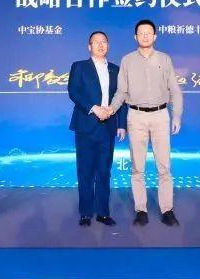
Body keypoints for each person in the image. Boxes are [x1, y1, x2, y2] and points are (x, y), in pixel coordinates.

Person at [96, 19, 183, 227]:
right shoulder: (127, 60)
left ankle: (167, 210)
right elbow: (121, 92)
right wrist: (111, 109)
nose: (145, 35)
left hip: (160, 115)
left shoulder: (165, 59)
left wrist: (177, 116)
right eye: (141, 33)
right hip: (136, 116)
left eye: (148, 32)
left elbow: (175, 89)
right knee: (137, 167)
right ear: (135, 37)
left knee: (164, 167)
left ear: (155, 36)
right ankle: (141, 210)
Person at [68, 31, 127, 226]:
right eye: (96, 42)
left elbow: (122, 97)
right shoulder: (79, 67)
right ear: (89, 46)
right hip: (86, 124)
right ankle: (85, 213)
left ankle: (103, 213)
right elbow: (74, 92)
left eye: (104, 42)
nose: (101, 45)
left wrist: (122, 124)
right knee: (85, 171)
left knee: (104, 171)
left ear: (108, 46)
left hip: (108, 126)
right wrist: (94, 108)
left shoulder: (116, 70)